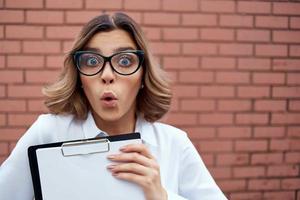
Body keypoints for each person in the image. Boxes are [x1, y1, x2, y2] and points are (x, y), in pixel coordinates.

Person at [0, 12, 227, 200]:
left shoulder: (174, 144)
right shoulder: (48, 132)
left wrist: (163, 196)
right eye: (92, 61)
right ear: (79, 77)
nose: (107, 75)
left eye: (125, 61)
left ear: (143, 76)